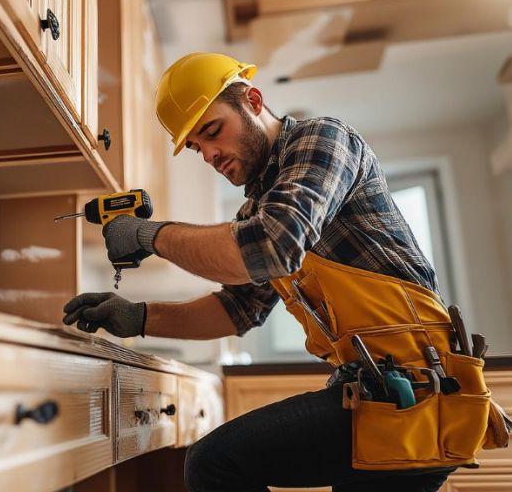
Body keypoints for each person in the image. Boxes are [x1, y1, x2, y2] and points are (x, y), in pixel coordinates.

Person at [62, 52, 483, 492]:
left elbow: (272, 245)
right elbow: (239, 308)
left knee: (215, 463)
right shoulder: (260, 207)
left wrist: (151, 235)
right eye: (195, 147)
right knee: (217, 463)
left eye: (211, 131)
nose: (209, 155)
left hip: (414, 393)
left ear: (254, 100)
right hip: (373, 391)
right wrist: (138, 316)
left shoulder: (323, 139)